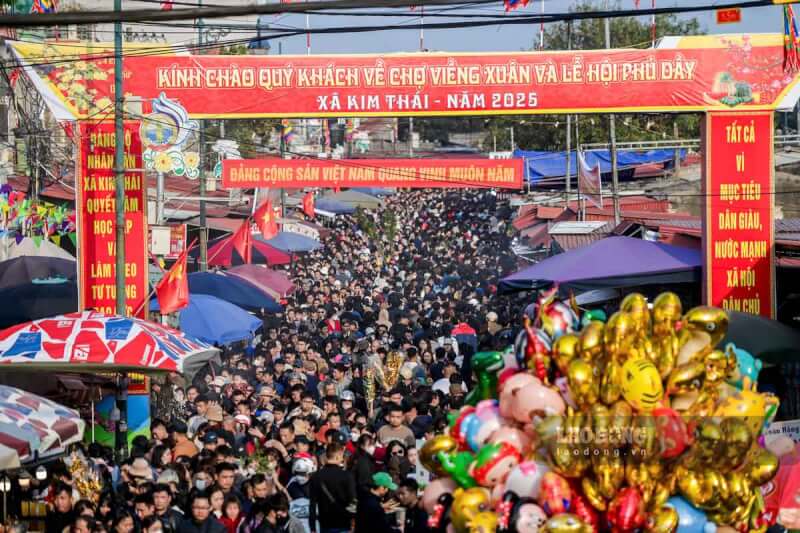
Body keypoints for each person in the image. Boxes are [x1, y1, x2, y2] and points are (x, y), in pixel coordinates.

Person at [308, 443, 356, 533]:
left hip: (325, 525)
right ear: (338, 456)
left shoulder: (316, 477)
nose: (342, 459)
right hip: (343, 524)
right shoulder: (347, 476)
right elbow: (353, 501)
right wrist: (353, 522)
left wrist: (312, 528)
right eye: (342, 456)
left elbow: (312, 505)